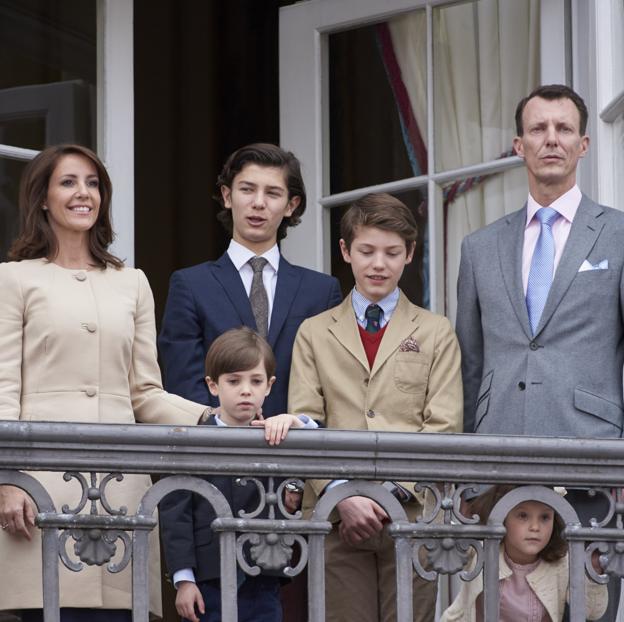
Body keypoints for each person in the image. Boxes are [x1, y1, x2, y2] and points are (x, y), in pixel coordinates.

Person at [0, 144, 209, 622]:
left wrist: (210, 417)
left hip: (120, 497)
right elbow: (2, 388)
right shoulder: (13, 280)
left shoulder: (131, 282)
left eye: (93, 183)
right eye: (69, 182)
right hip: (40, 492)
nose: (84, 193)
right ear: (43, 199)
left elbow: (145, 394)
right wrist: (5, 481)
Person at [455, 84, 624, 620]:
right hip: (497, 461)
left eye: (564, 129)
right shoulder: (479, 247)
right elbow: (470, 359)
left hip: (593, 462)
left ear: (584, 144)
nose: (551, 139)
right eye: (538, 129)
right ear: (518, 145)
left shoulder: (619, 234)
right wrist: (463, 468)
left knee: (589, 610)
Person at [288, 192, 463, 622]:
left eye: (392, 252)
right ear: (346, 251)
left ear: (410, 255)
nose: (378, 264)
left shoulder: (436, 331)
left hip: (412, 515)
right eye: (366, 251)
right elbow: (304, 422)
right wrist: (343, 494)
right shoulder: (314, 333)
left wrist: (385, 494)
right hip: (336, 519)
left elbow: (443, 426)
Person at [158, 142, 342, 417]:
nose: (258, 202)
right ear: (227, 196)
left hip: (297, 449)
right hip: (217, 446)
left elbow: (329, 382)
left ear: (291, 205)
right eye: (247, 189)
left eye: (273, 193)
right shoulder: (190, 285)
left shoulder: (322, 291)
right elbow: (183, 381)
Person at [159, 327, 317, 622]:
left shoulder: (277, 434)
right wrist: (184, 580)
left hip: (264, 576)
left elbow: (319, 450)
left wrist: (297, 422)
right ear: (213, 385)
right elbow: (176, 513)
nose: (246, 390)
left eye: (256, 381)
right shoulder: (191, 442)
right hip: (209, 579)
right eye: (234, 381)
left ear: (269, 386)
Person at [441, 485, 608, 621]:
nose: (535, 527)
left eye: (544, 517)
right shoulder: (481, 549)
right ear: (503, 517)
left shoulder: (562, 561)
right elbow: (439, 537)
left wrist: (591, 576)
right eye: (523, 515)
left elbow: (591, 612)